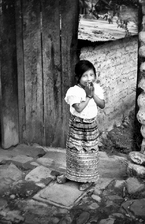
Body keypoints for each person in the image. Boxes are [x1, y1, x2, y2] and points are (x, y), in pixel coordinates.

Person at [58, 59, 105, 191]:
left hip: (91, 127)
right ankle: (70, 175)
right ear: (78, 77)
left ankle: (89, 179)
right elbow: (78, 109)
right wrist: (88, 97)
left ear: (95, 75)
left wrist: (93, 94)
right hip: (77, 126)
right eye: (84, 75)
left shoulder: (97, 89)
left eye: (91, 75)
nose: (88, 78)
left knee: (89, 155)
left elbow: (102, 104)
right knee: (74, 153)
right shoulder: (74, 91)